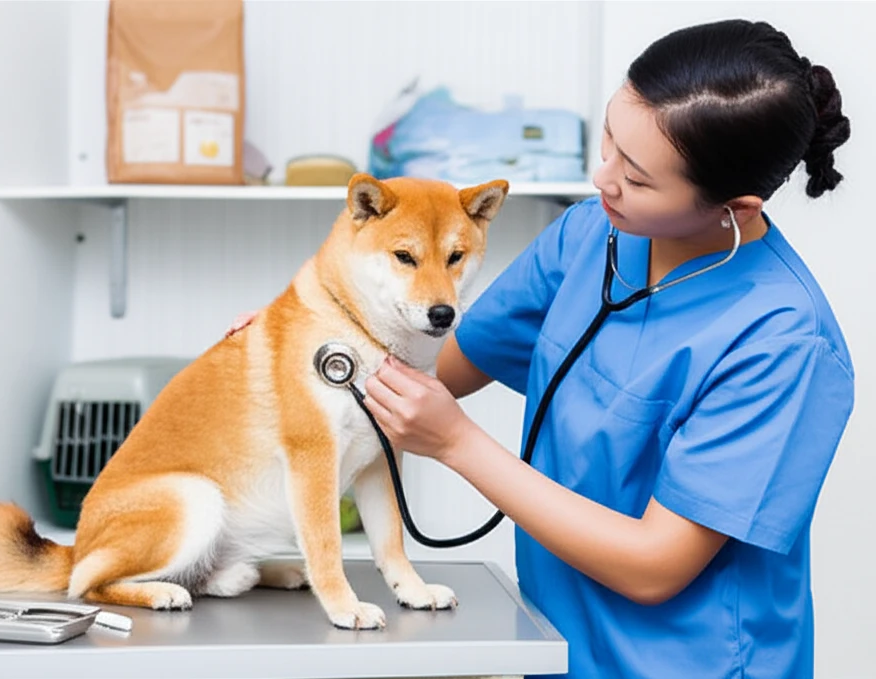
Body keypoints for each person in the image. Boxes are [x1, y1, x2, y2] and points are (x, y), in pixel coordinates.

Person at [229, 19, 853, 678]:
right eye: (610, 137)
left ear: (733, 206)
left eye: (636, 179)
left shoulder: (783, 341)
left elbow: (655, 565)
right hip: (556, 645)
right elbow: (442, 362)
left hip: (691, 663)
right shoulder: (592, 234)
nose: (601, 176)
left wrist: (457, 443)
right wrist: (316, 346)